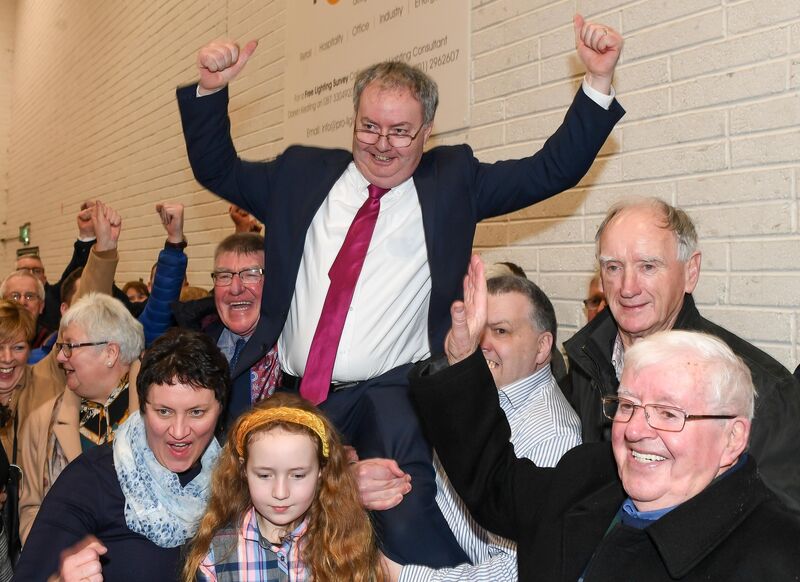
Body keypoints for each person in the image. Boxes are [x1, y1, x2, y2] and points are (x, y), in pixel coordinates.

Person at [177, 15, 624, 566]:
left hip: (390, 393)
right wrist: (211, 89)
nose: (382, 145)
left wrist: (596, 81)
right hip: (298, 390)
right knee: (270, 523)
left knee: (407, 520)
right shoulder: (299, 174)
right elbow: (217, 168)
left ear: (427, 131)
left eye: (400, 132)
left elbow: (549, 171)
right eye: (369, 127)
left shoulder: (453, 182)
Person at [408, 256, 800, 581]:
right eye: (627, 405)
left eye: (668, 413)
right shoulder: (589, 477)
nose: (636, 430)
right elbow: (493, 481)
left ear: (732, 438)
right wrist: (463, 362)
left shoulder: (776, 555)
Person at [562, 197, 800, 510]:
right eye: (613, 267)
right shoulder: (587, 361)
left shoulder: (762, 391)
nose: (627, 287)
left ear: (690, 271)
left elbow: (781, 525)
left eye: (648, 266)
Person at [370, 275, 581, 581]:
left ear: (542, 347)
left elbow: (516, 573)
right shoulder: (480, 392)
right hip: (412, 533)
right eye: (478, 329)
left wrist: (403, 576)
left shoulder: (553, 437)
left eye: (501, 331)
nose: (482, 344)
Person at [15, 329, 229, 580]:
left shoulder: (236, 482)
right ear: (143, 408)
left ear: (220, 410)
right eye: (164, 412)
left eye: (196, 412)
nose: (179, 432)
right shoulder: (90, 480)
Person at [183, 393, 384, 581]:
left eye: (297, 475)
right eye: (264, 475)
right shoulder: (216, 554)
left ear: (321, 471)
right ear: (243, 470)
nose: (280, 493)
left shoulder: (346, 545)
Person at [17, 292, 144, 541]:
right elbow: (31, 509)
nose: (60, 357)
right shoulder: (41, 421)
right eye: (60, 347)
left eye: (69, 346)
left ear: (110, 353)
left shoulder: (162, 413)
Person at [171, 233, 280, 429]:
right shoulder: (194, 346)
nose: (235, 288)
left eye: (251, 274)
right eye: (224, 276)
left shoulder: (292, 357)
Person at [0, 270, 49, 348]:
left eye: (30, 296)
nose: (22, 302)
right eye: (15, 296)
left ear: (41, 306)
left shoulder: (51, 344)